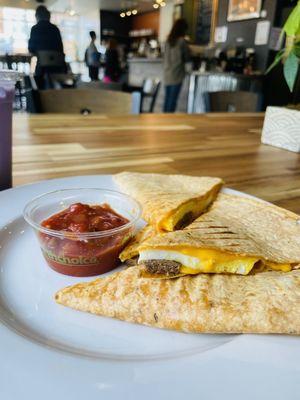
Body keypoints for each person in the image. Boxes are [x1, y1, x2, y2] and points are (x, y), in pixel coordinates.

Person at [28, 5, 66, 88]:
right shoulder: (55, 29)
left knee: (38, 69)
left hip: (42, 69)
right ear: (48, 16)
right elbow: (61, 49)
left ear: (37, 16)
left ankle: (40, 95)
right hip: (58, 67)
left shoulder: (35, 29)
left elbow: (31, 49)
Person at [163, 19, 190, 113]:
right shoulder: (182, 41)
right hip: (177, 74)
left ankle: (164, 120)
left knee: (167, 100)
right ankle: (169, 121)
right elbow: (187, 57)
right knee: (172, 100)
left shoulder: (168, 41)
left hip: (167, 73)